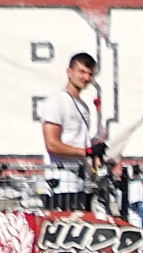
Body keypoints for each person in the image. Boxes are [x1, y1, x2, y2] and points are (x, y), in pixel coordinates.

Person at [38, 51, 106, 210]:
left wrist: (95, 156)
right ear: (69, 72)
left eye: (90, 74)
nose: (86, 78)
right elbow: (52, 145)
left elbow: (80, 141)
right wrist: (86, 152)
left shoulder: (84, 106)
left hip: (81, 184)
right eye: (82, 72)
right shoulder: (57, 102)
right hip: (61, 185)